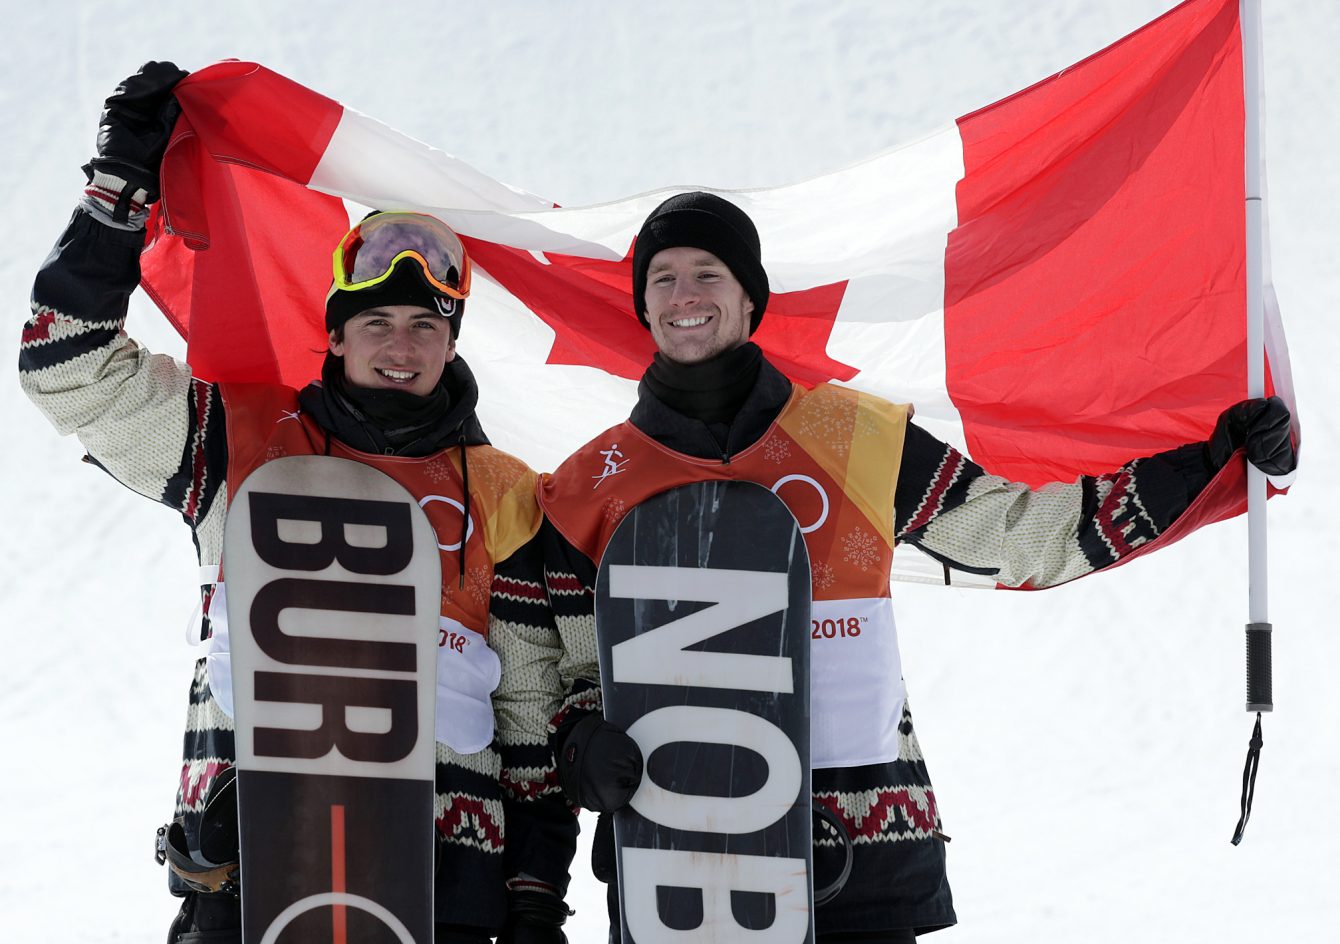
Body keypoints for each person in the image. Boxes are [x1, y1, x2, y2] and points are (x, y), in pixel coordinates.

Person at [524, 191, 1296, 942]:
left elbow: (1023, 538)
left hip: (865, 861)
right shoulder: (592, 487)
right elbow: (562, 672)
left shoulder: (854, 437)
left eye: (707, 274)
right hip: (683, 867)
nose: (683, 295)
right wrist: (579, 742)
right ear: (643, 306)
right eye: (663, 278)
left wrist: (1207, 463)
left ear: (750, 299)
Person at [20, 63, 575, 944]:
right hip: (253, 857)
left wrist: (536, 894)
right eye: (377, 324)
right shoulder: (238, 438)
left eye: (426, 326)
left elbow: (530, 706)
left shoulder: (506, 490)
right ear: (335, 332)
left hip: (446, 871)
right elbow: (68, 367)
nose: (402, 347)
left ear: (452, 342)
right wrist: (118, 193)